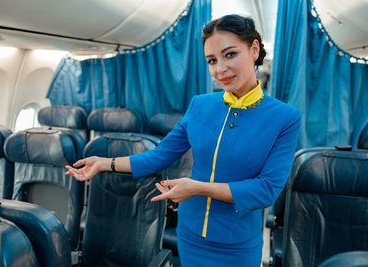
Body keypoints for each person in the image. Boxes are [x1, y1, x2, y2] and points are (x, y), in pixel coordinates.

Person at [65, 14, 301, 267]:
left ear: (254, 49)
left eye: (230, 54)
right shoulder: (200, 105)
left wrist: (198, 187)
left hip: (237, 244)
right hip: (191, 235)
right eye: (212, 60)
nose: (220, 69)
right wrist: (104, 163)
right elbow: (159, 155)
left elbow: (266, 190)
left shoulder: (285, 118)